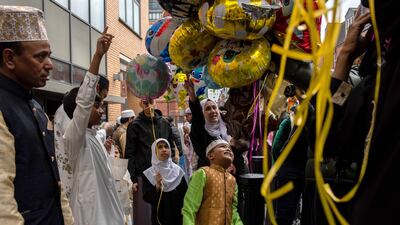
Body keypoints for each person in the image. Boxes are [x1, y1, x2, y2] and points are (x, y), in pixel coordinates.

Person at [0, 6, 73, 225]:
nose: (50, 65)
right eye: (40, 56)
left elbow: (56, 186)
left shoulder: (35, 108)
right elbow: (3, 205)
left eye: (48, 56)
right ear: (10, 58)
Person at [61, 27, 124, 225]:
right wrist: (98, 56)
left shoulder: (92, 136)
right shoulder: (74, 135)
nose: (101, 110)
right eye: (96, 105)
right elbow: (84, 101)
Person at [55, 74, 109, 200]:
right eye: (103, 96)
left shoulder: (90, 128)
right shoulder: (71, 114)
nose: (101, 110)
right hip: (77, 185)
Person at [125, 98, 176, 225]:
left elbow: (171, 146)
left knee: (168, 211)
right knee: (146, 215)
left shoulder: (164, 123)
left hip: (166, 175)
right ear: (140, 103)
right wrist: (133, 178)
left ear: (155, 101)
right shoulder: (135, 125)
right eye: (145, 103)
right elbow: (130, 153)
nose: (148, 105)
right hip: (145, 177)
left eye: (150, 101)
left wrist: (172, 167)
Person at [182, 139, 243, 225]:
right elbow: (190, 207)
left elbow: (233, 211)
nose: (228, 149)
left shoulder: (232, 180)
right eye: (222, 146)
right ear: (211, 156)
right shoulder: (203, 173)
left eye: (229, 148)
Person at [142, 138, 187, 225]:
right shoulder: (149, 173)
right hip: (159, 215)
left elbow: (185, 193)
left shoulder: (177, 171)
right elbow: (147, 197)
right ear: (154, 152)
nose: (164, 149)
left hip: (177, 215)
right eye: (160, 147)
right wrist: (157, 186)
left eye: (166, 147)